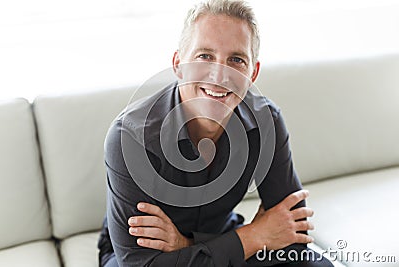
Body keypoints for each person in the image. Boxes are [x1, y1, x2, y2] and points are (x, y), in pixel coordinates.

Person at [98, 0, 333, 266]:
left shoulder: (265, 121)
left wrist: (189, 246)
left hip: (220, 236)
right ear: (178, 64)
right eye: (205, 56)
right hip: (138, 256)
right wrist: (251, 238)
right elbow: (140, 263)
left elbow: (294, 235)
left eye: (236, 60)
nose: (219, 75)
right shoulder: (131, 137)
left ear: (252, 73)